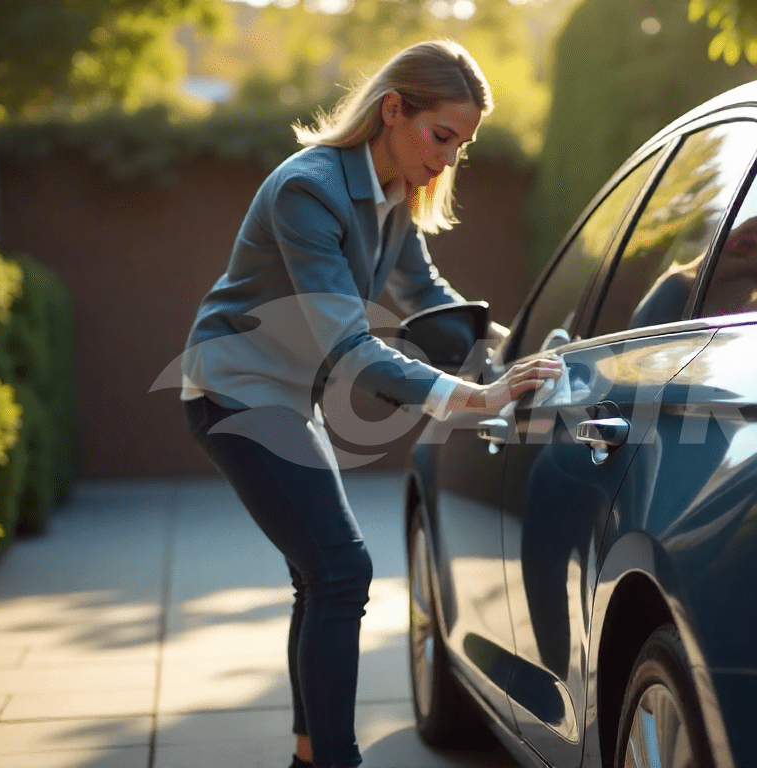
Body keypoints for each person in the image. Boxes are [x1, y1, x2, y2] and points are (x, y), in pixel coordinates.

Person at [178, 41, 561, 768]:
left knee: (320, 576)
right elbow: (348, 348)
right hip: (236, 390)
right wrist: (473, 397)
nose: (448, 159)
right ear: (392, 110)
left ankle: (310, 756)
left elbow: (428, 299)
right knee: (341, 571)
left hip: (288, 397)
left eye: (461, 145)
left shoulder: (395, 195)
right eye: (440, 136)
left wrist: (524, 349)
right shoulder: (309, 189)